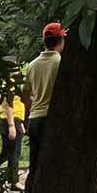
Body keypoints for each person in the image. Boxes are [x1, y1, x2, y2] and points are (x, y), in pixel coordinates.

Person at [22, 24, 64, 176]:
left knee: (35, 166)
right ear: (60, 40)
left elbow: (25, 95)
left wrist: (31, 109)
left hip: (35, 119)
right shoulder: (60, 63)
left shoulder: (32, 65)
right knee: (53, 165)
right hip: (52, 119)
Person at [0, 92, 24, 183]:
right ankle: (14, 181)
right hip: (11, 120)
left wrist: (20, 122)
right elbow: (7, 105)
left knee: (7, 153)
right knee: (14, 153)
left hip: (13, 119)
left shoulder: (10, 84)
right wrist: (11, 125)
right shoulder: (10, 83)